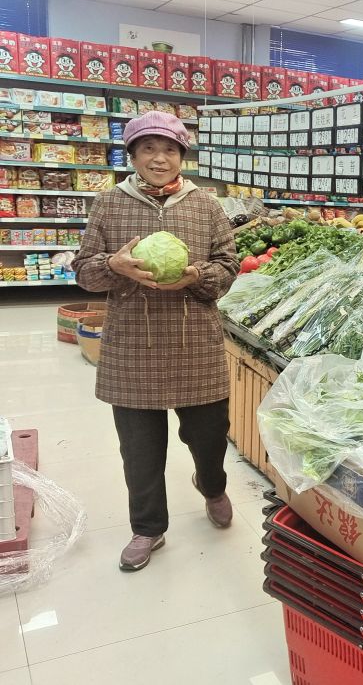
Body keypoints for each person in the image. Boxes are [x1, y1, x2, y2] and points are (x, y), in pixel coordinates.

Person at [72, 111, 239, 572]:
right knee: (139, 450)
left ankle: (212, 486)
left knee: (209, 438)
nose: (159, 158)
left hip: (195, 343)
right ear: (133, 155)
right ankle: (147, 528)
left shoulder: (205, 205)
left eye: (169, 149)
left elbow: (228, 267)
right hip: (132, 344)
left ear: (182, 155)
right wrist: (113, 266)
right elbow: (84, 271)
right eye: (148, 149)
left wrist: (196, 275)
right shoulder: (109, 204)